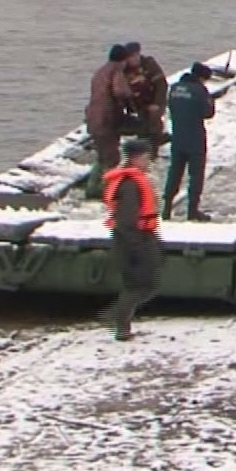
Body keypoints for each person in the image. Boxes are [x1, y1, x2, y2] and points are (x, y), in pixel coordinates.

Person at [103, 139, 161, 341]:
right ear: (136, 158)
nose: (148, 162)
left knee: (145, 283)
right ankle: (120, 322)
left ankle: (120, 318)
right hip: (133, 241)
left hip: (139, 238)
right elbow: (126, 221)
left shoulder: (133, 180)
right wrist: (137, 247)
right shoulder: (129, 185)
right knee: (139, 285)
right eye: (146, 157)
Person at [164, 62, 215, 222]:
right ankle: (192, 211)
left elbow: (171, 108)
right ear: (201, 77)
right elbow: (208, 113)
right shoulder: (200, 90)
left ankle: (166, 208)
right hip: (195, 138)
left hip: (178, 137)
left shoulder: (174, 88)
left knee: (175, 172)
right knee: (196, 175)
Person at [85, 44, 133, 195]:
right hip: (106, 120)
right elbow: (120, 91)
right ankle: (108, 190)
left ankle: (92, 187)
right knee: (112, 158)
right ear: (123, 60)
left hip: (93, 118)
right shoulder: (116, 71)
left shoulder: (100, 72)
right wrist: (130, 97)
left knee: (102, 155)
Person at [121, 42, 168, 154]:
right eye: (131, 57)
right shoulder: (124, 69)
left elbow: (161, 84)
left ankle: (153, 150)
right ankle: (143, 149)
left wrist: (157, 103)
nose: (134, 59)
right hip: (139, 102)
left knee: (153, 123)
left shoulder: (148, 64)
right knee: (142, 127)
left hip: (155, 99)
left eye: (136, 56)